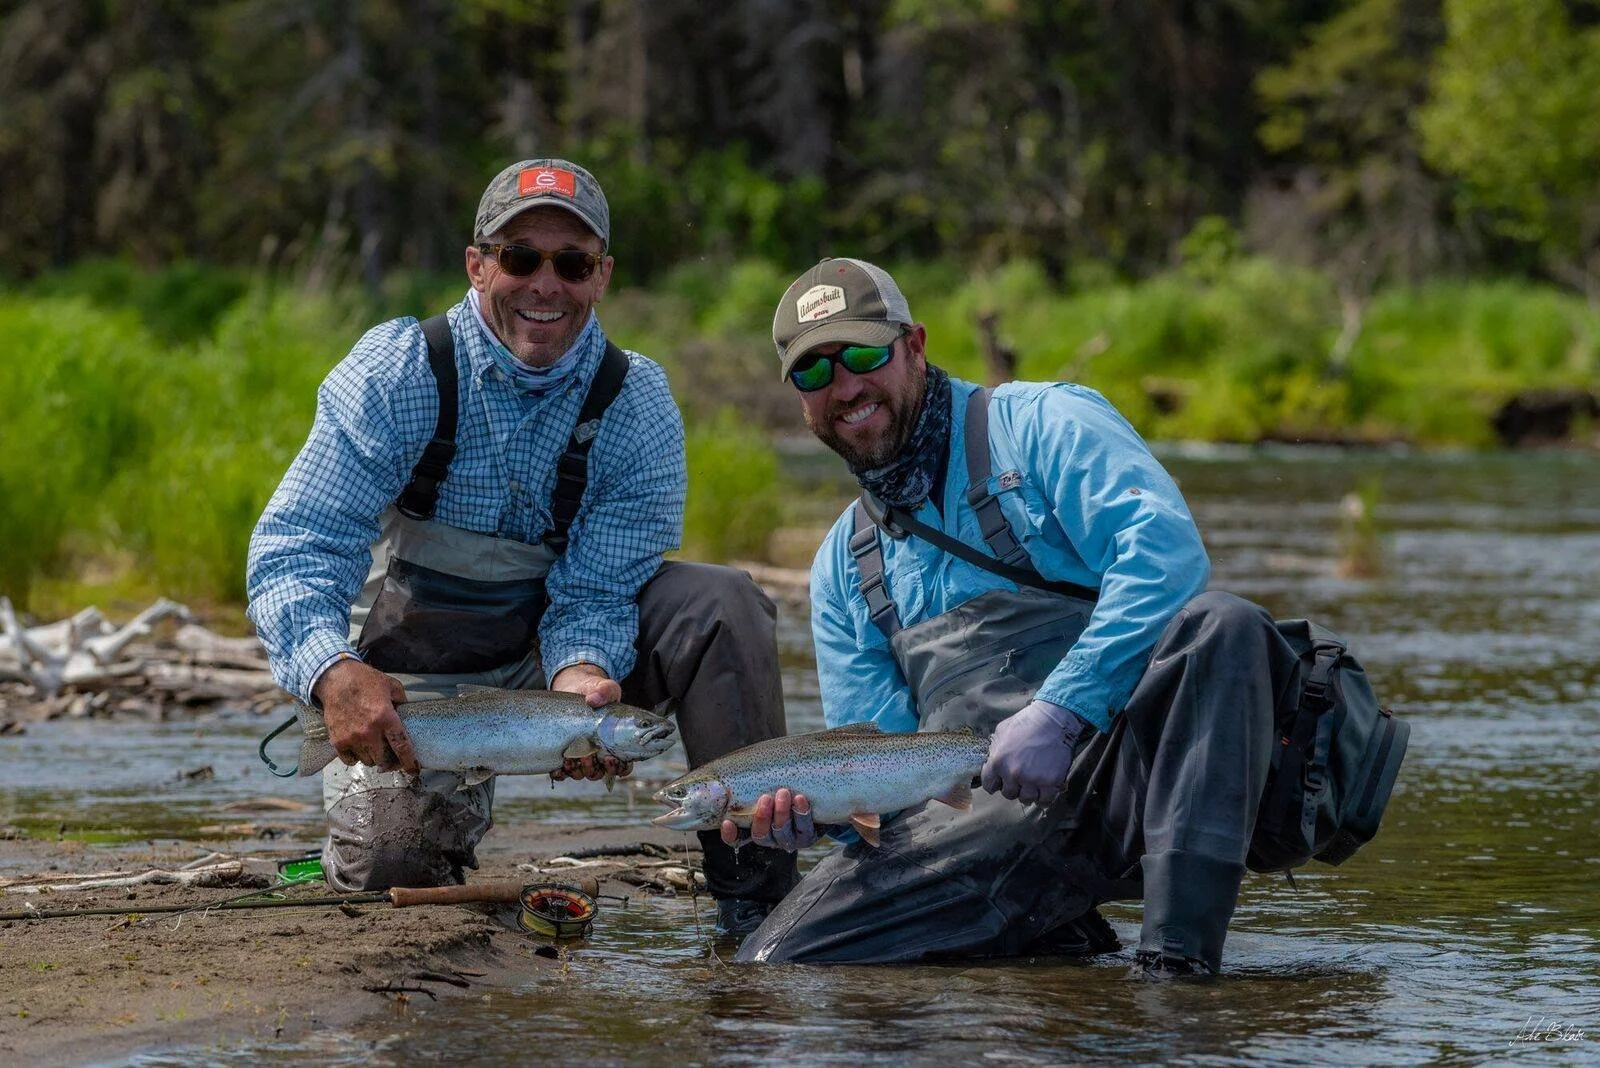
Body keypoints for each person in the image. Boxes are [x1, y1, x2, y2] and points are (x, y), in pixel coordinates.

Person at [246, 159, 796, 934]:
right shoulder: (402, 369)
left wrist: (584, 676)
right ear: (477, 265)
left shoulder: (636, 402)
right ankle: (422, 831)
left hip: (548, 661)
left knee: (721, 603)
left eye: (571, 263)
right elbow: (297, 547)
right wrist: (332, 673)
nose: (546, 284)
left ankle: (757, 898)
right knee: (389, 865)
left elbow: (599, 589)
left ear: (600, 276)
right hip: (420, 672)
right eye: (520, 257)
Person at [727, 257, 1306, 976]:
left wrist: (1062, 712)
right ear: (800, 400)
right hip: (982, 819)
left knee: (1226, 627)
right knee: (776, 964)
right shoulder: (842, 568)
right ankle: (1053, 934)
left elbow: (1167, 556)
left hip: (1135, 778)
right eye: (816, 373)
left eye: (865, 355)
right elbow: (889, 797)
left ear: (915, 346)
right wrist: (822, 817)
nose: (846, 387)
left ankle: (1177, 978)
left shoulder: (1042, 426)